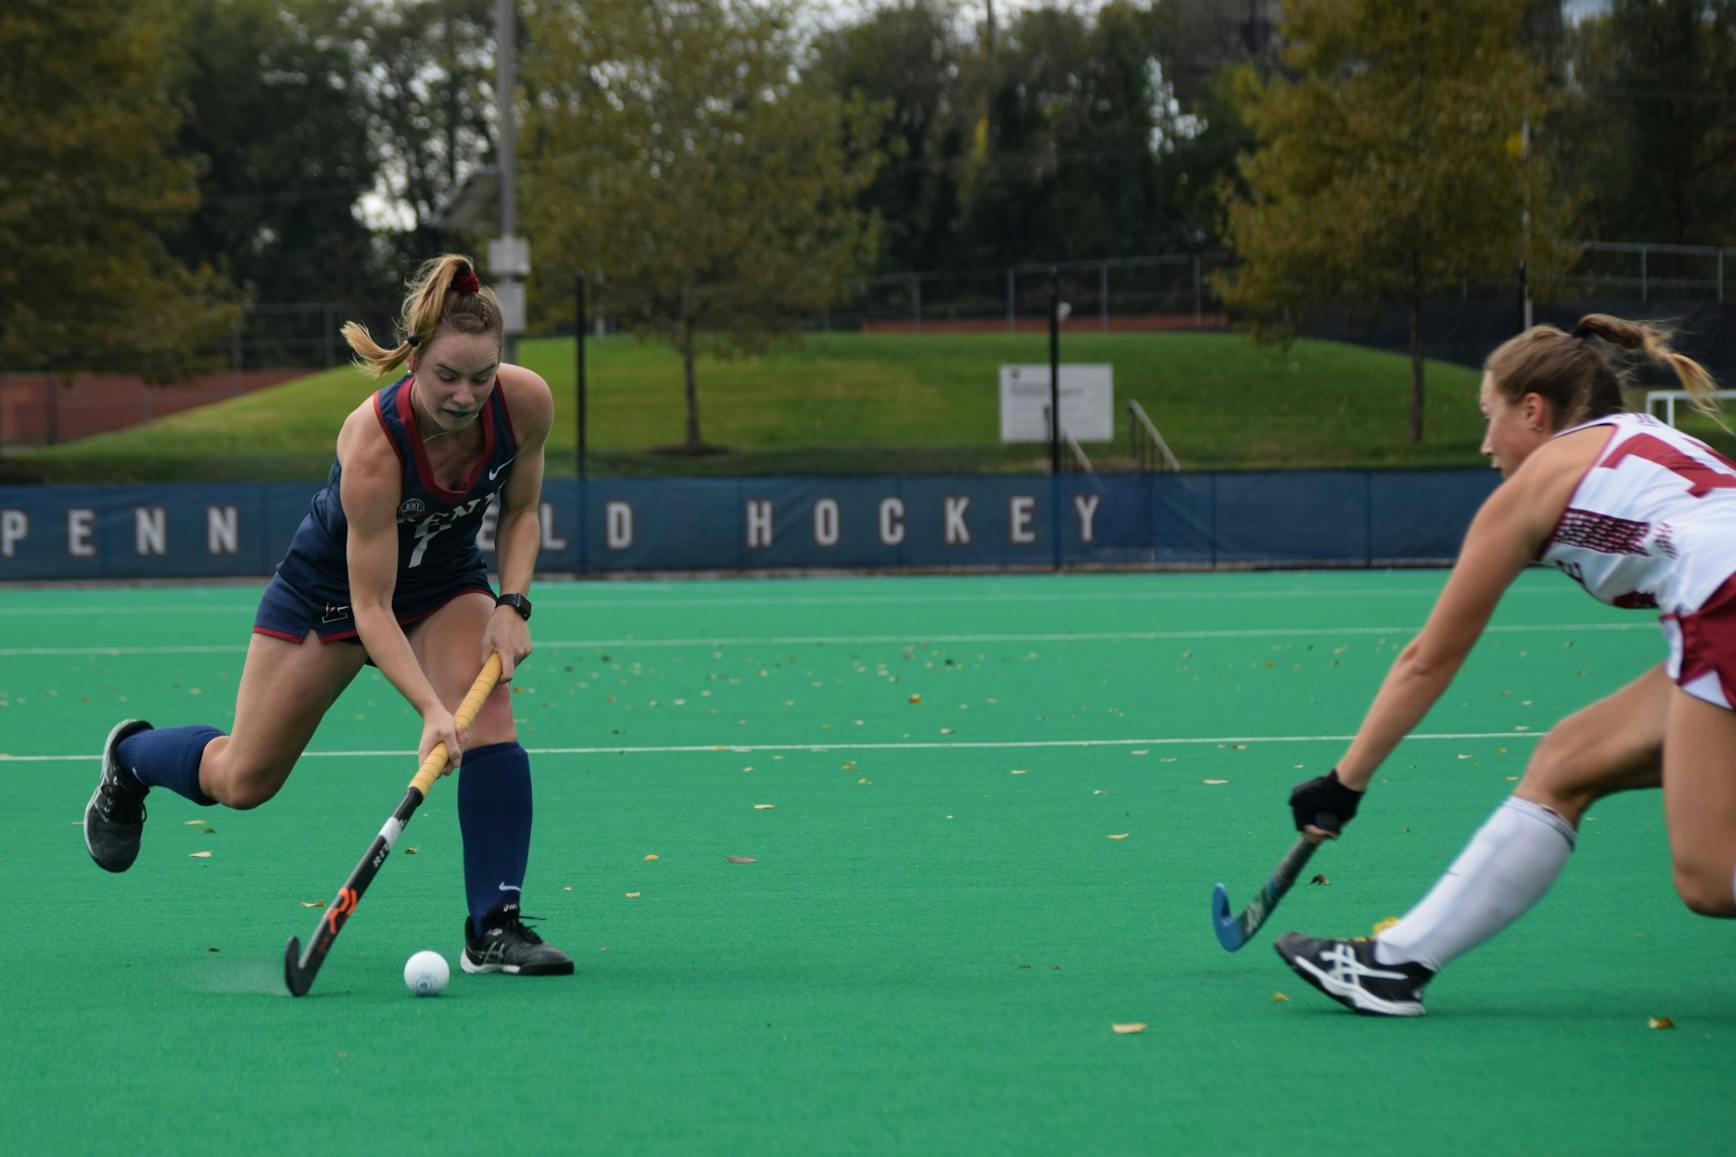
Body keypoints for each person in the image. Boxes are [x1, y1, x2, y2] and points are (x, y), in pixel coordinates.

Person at [83, 254, 572, 977]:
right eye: (447, 376)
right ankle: (131, 757)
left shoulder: (524, 403)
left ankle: (493, 928)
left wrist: (511, 604)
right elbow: (371, 607)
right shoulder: (374, 444)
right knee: (243, 779)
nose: (466, 395)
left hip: (443, 581)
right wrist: (432, 709)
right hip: (333, 594)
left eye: (481, 375)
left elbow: (524, 511)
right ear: (414, 360)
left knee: (492, 714)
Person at [1274, 314, 1735, 1016]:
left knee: (1708, 875)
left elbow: (1427, 659)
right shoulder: (1654, 441)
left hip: (1722, 596)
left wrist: (1345, 783)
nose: (1486, 443)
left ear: (1533, 409)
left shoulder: (1531, 488)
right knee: (1566, 762)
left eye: (1491, 417)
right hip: (1713, 606)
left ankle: (1395, 963)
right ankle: (1393, 966)